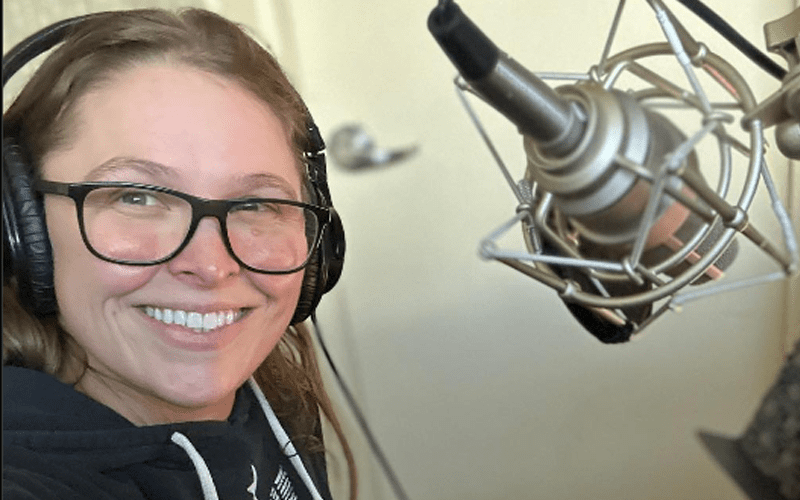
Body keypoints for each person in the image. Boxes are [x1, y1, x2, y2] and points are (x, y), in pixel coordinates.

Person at [2, 7, 355, 500]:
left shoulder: (270, 392)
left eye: (256, 204)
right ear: (23, 227)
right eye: (136, 197)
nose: (210, 266)